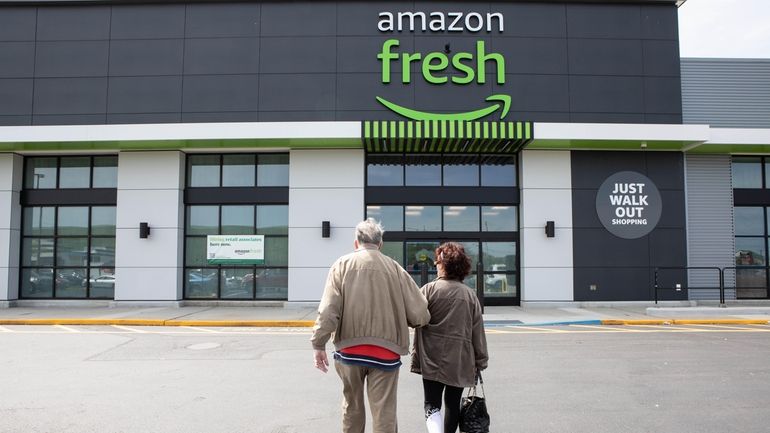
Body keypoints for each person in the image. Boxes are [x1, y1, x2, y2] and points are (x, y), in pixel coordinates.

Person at [311, 218, 431, 433]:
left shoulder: (341, 265)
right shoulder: (395, 269)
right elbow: (420, 313)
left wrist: (318, 344)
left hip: (349, 351)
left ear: (356, 243)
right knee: (384, 412)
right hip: (386, 352)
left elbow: (329, 309)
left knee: (352, 408)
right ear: (380, 244)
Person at [411, 242, 489, 433]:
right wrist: (481, 360)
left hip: (431, 356)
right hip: (460, 359)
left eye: (438, 261)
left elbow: (414, 319)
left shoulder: (428, 290)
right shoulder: (470, 296)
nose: (436, 264)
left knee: (431, 404)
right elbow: (477, 332)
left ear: (443, 264)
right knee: (453, 405)